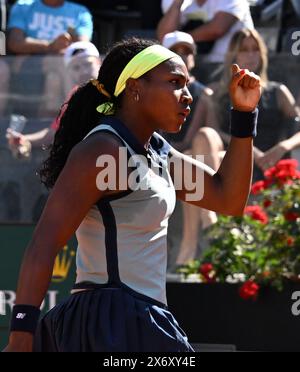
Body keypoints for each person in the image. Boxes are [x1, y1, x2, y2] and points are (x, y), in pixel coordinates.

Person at [3, 37, 261, 352]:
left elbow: (227, 199)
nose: (188, 96)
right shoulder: (104, 150)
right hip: (108, 320)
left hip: (140, 317)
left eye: (187, 85)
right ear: (136, 88)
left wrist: (244, 115)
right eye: (175, 83)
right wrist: (20, 338)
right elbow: (43, 244)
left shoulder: (156, 153)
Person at [189, 28, 300, 180]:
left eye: (255, 49)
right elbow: (213, 131)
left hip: (268, 162)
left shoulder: (278, 91)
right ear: (233, 55)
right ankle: (214, 197)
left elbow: (298, 128)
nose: (250, 55)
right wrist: (250, 149)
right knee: (203, 143)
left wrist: (283, 147)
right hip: (229, 161)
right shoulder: (216, 92)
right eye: (244, 50)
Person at [160, 30, 218, 268]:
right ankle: (207, 215)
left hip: (197, 157)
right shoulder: (154, 90)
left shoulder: (205, 93)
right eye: (177, 51)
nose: (183, 56)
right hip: (168, 156)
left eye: (187, 51)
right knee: (190, 161)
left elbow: (210, 132)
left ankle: (187, 250)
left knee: (200, 144)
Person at [6, 41, 101, 154]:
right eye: (76, 68)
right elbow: (55, 133)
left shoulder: (116, 88)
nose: (83, 71)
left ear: (99, 62)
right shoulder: (74, 94)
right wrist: (24, 139)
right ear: (69, 72)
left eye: (88, 64)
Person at [157, 0, 254, 63]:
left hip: (230, 68)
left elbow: (217, 29)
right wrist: (177, 3)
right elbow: (165, 37)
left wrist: (179, 39)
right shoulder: (175, 2)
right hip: (191, 69)